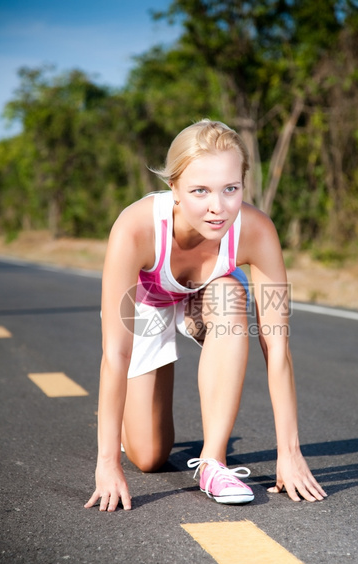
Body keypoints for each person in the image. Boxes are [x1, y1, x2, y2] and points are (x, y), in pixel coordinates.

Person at [85, 119, 327, 512]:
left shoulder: (258, 230)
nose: (218, 207)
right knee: (150, 457)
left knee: (232, 295)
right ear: (174, 188)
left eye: (230, 189)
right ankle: (131, 429)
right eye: (200, 191)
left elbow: (277, 347)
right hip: (147, 305)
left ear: (243, 185)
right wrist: (107, 463)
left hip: (206, 296)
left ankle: (214, 462)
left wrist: (290, 452)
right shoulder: (135, 229)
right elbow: (115, 354)